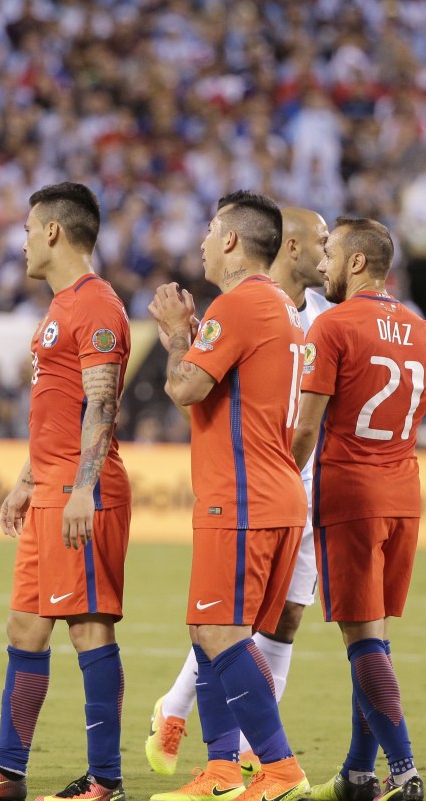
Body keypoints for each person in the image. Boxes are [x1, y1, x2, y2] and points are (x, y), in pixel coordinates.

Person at [0, 182, 132, 801]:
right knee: (25, 627)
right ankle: (7, 771)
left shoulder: (96, 306)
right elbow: (56, 411)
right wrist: (26, 479)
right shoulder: (59, 308)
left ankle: (105, 780)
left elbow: (101, 405)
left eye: (25, 230)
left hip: (82, 493)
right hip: (50, 487)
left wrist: (79, 490)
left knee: (89, 628)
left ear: (52, 232)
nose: (19, 242)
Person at [291, 216, 426, 801]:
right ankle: (356, 773)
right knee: (373, 631)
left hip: (348, 494)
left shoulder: (332, 327)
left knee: (362, 640)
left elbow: (305, 428)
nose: (322, 265)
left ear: (356, 263)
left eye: (331, 255)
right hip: (405, 497)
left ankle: (404, 773)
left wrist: (275, 480)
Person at [145, 207, 331, 784]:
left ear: (230, 240)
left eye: (207, 231)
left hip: (242, 496)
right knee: (215, 633)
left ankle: (278, 769)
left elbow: (183, 387)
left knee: (221, 634)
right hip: (274, 492)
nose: (200, 242)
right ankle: (223, 769)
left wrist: (178, 334)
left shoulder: (242, 303)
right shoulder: (279, 306)